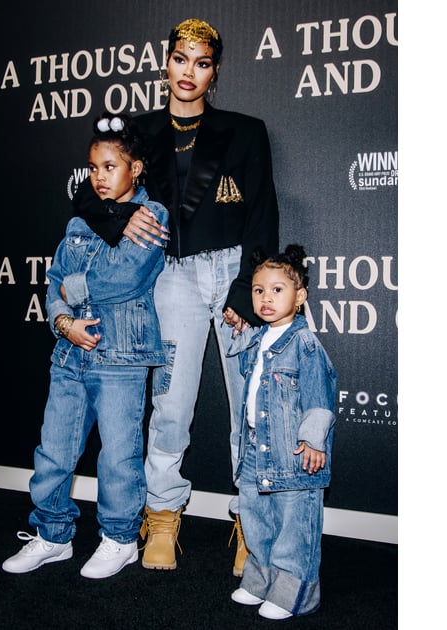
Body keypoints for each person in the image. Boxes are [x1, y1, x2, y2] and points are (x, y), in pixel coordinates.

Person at [74, 16, 280, 576]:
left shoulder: (245, 131)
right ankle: (163, 513)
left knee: (250, 405)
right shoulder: (137, 132)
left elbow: (263, 213)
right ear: (166, 63)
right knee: (170, 404)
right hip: (170, 278)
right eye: (181, 58)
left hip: (234, 271)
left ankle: (253, 520)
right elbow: (87, 191)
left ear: (214, 72)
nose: (190, 71)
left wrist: (248, 286)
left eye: (203, 62)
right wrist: (123, 220)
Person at [2, 112, 170, 580]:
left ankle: (119, 540)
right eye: (93, 167)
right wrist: (63, 322)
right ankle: (52, 535)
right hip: (70, 355)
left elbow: (123, 277)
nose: (99, 177)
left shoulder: (151, 215)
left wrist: (70, 296)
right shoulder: (81, 219)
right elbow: (52, 281)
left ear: (135, 168)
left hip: (120, 357)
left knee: (118, 455)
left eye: (110, 166)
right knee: (53, 452)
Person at [227, 244, 336, 620]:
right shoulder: (258, 340)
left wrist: (313, 440)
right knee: (257, 519)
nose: (266, 298)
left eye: (277, 289)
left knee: (293, 527)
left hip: (293, 451)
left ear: (300, 296)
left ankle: (294, 593)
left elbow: (319, 396)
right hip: (257, 449)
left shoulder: (304, 344)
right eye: (259, 290)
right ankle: (260, 581)